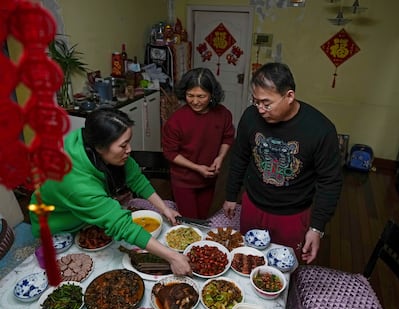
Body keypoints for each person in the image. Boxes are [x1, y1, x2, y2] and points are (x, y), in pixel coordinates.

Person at [29, 108, 192, 276]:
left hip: (86, 214)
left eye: (129, 142)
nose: (129, 149)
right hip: (59, 226)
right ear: (100, 147)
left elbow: (135, 176)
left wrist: (164, 208)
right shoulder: (76, 183)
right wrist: (172, 257)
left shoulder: (92, 139)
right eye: (123, 145)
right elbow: (121, 224)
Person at [223, 62, 343, 264]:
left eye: (266, 103)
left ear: (289, 96)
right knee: (247, 261)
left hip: (292, 214)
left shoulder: (320, 129)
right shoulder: (250, 117)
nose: (260, 109)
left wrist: (317, 228)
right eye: (256, 101)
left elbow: (330, 181)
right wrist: (230, 195)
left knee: (284, 269)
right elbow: (239, 156)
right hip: (253, 205)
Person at [162, 68, 235, 219]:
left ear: (212, 95)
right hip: (184, 181)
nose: (195, 101)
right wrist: (197, 168)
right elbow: (170, 153)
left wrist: (220, 158)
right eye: (190, 95)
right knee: (190, 222)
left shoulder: (223, 114)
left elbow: (228, 138)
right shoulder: (176, 120)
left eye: (201, 96)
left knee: (201, 220)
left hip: (209, 179)